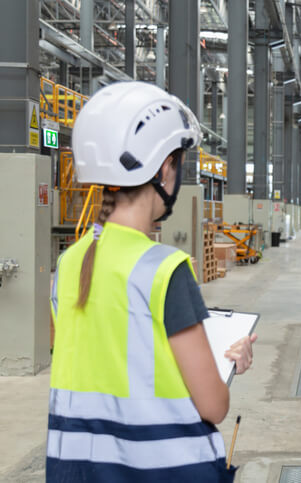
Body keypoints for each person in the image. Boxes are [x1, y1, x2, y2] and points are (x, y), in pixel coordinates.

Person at [46, 81, 257, 482]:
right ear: (165, 169)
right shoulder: (164, 269)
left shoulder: (68, 264)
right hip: (158, 471)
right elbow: (213, 406)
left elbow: (113, 359)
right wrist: (228, 364)